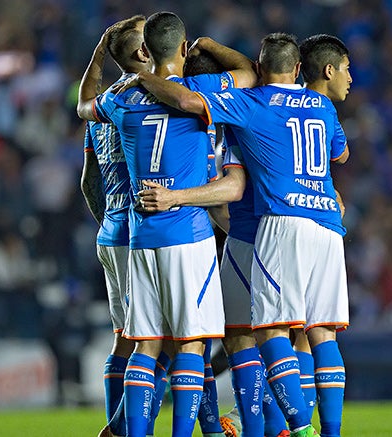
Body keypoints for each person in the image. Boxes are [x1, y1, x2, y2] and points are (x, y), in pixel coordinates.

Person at [127, 32, 351, 437]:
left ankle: (274, 428)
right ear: (298, 69)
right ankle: (290, 427)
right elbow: (339, 154)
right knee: (308, 332)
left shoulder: (239, 110)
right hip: (318, 224)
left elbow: (231, 185)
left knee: (244, 336)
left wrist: (144, 77)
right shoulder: (317, 105)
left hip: (258, 231)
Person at [80, 11, 256, 437]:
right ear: (176, 48)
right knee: (191, 343)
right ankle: (193, 431)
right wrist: (210, 45)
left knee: (142, 341)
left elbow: (84, 108)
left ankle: (122, 430)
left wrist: (103, 54)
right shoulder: (199, 91)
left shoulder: (117, 101)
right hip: (185, 231)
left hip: (133, 231)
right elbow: (248, 73)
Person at [76, 15, 151, 437]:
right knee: (154, 339)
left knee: (125, 336)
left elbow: (89, 182)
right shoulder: (146, 99)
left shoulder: (104, 103)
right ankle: (119, 428)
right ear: (144, 52)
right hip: (139, 233)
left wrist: (99, 51)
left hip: (111, 230)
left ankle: (119, 427)